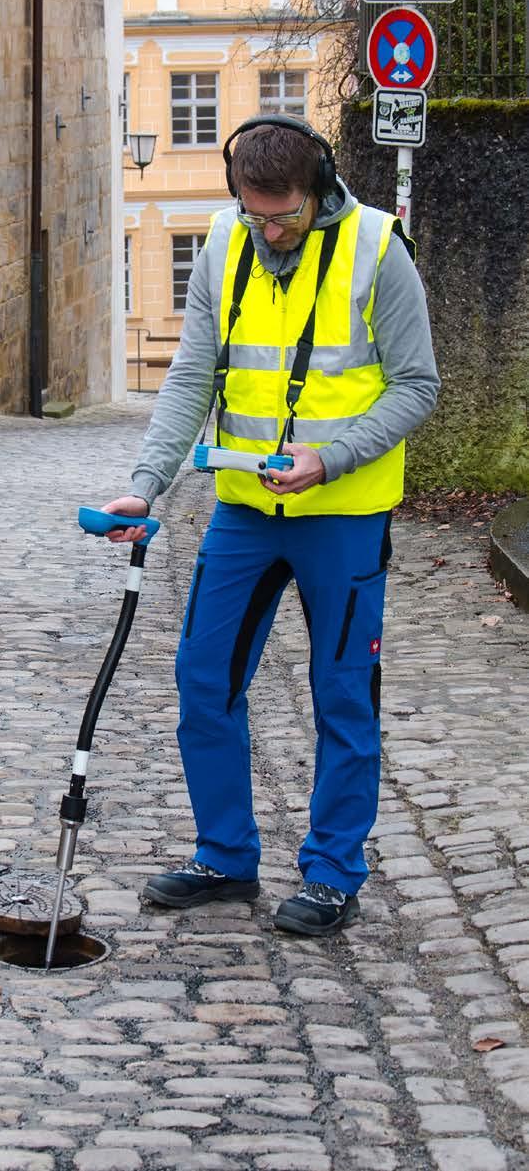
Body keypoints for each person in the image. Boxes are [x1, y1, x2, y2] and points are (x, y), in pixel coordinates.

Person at [104, 115, 439, 936]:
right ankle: (225, 855)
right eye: (255, 213)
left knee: (342, 697)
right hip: (246, 513)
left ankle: (331, 873)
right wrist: (147, 486)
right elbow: (190, 376)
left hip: (344, 516)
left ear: (319, 187)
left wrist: (332, 456)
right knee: (203, 679)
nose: (270, 229)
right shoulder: (224, 244)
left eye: (283, 213)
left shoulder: (376, 248)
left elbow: (417, 385)